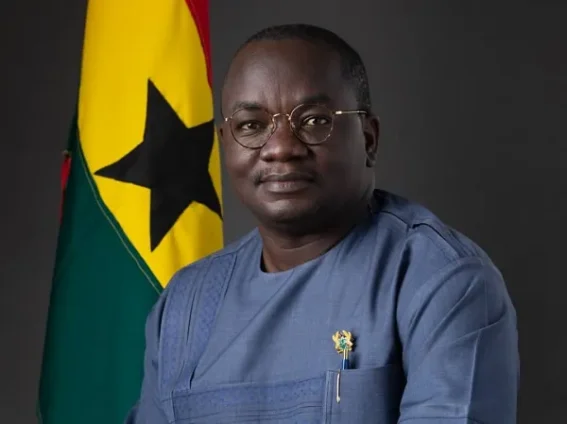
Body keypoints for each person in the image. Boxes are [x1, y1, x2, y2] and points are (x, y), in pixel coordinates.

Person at [126, 24, 519, 423]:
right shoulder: (184, 304)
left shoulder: (440, 281)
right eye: (251, 125)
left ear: (368, 138)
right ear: (225, 143)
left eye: (314, 120)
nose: (281, 148)